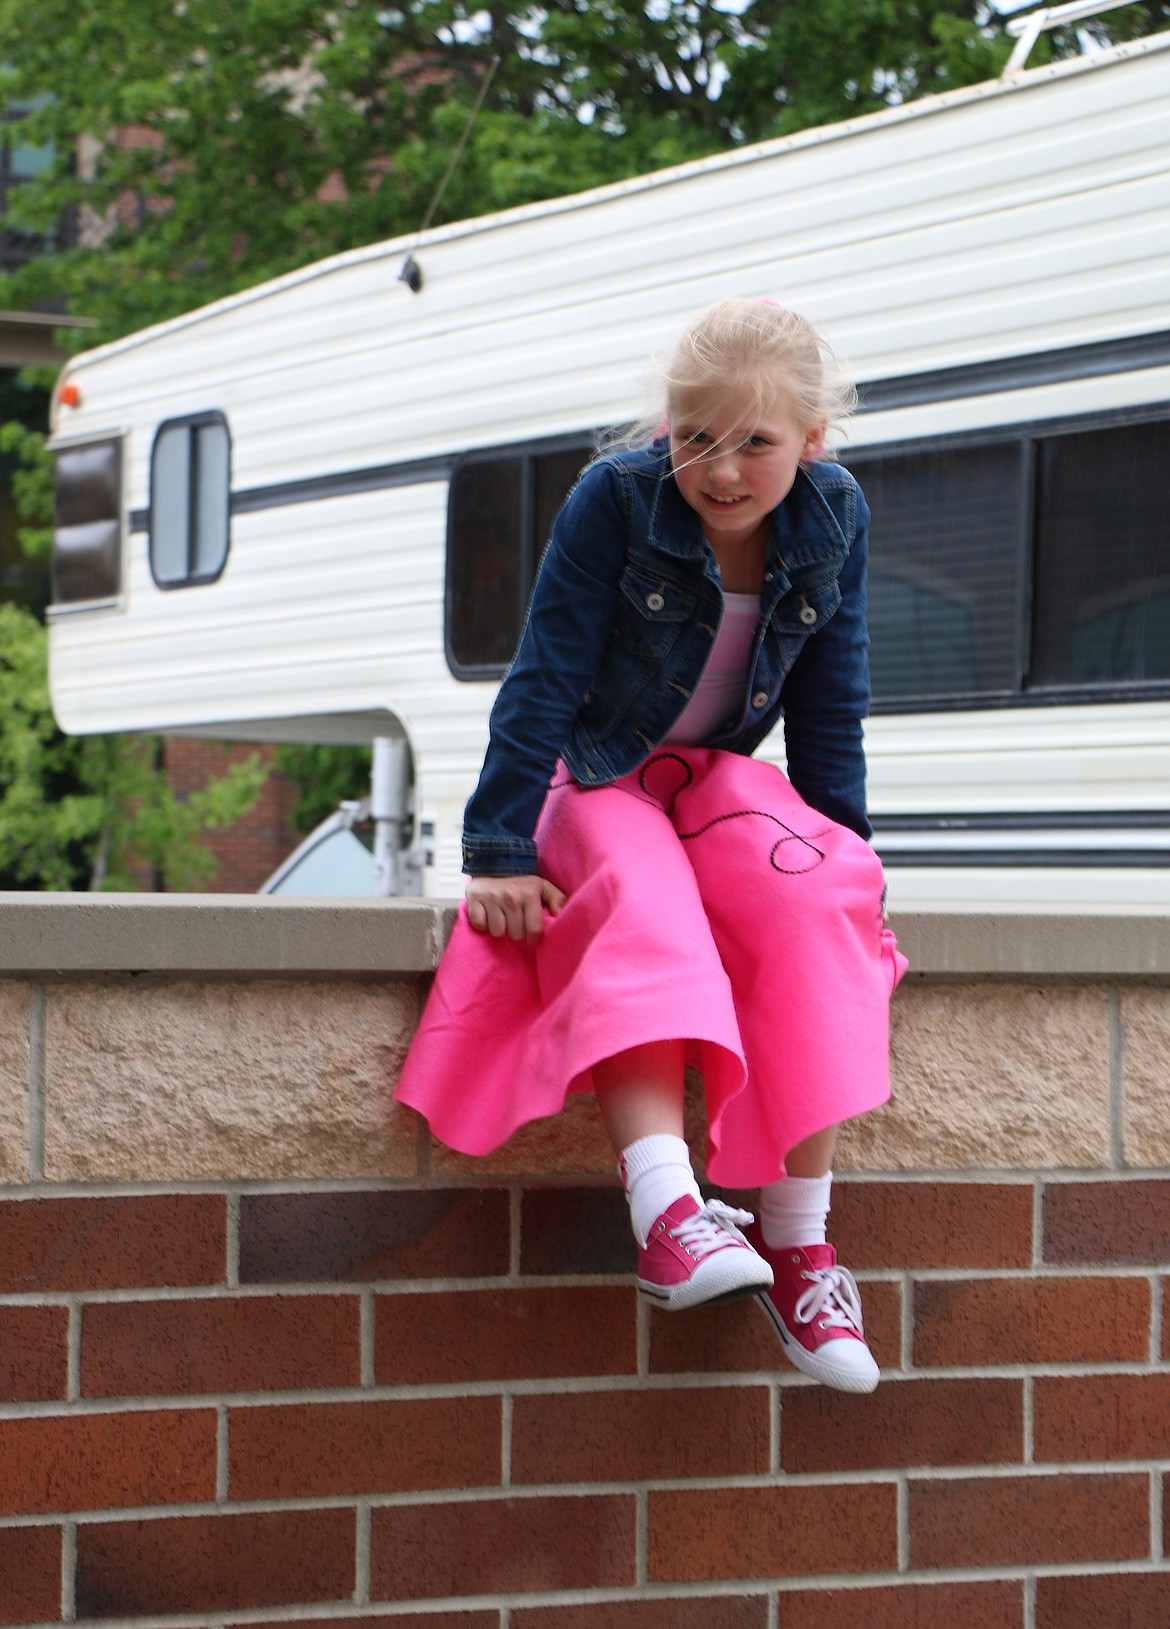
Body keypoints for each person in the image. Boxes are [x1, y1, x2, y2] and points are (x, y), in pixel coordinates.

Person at [395, 297, 906, 1393]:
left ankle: (801, 1249)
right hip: (601, 772)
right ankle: (671, 1211)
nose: (720, 470)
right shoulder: (615, 500)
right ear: (665, 428)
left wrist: (845, 857)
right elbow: (543, 675)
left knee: (814, 905)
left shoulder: (837, 517)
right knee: (647, 900)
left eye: (756, 443)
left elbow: (833, 700)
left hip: (711, 780)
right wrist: (497, 849)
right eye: (695, 438)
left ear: (813, 441)